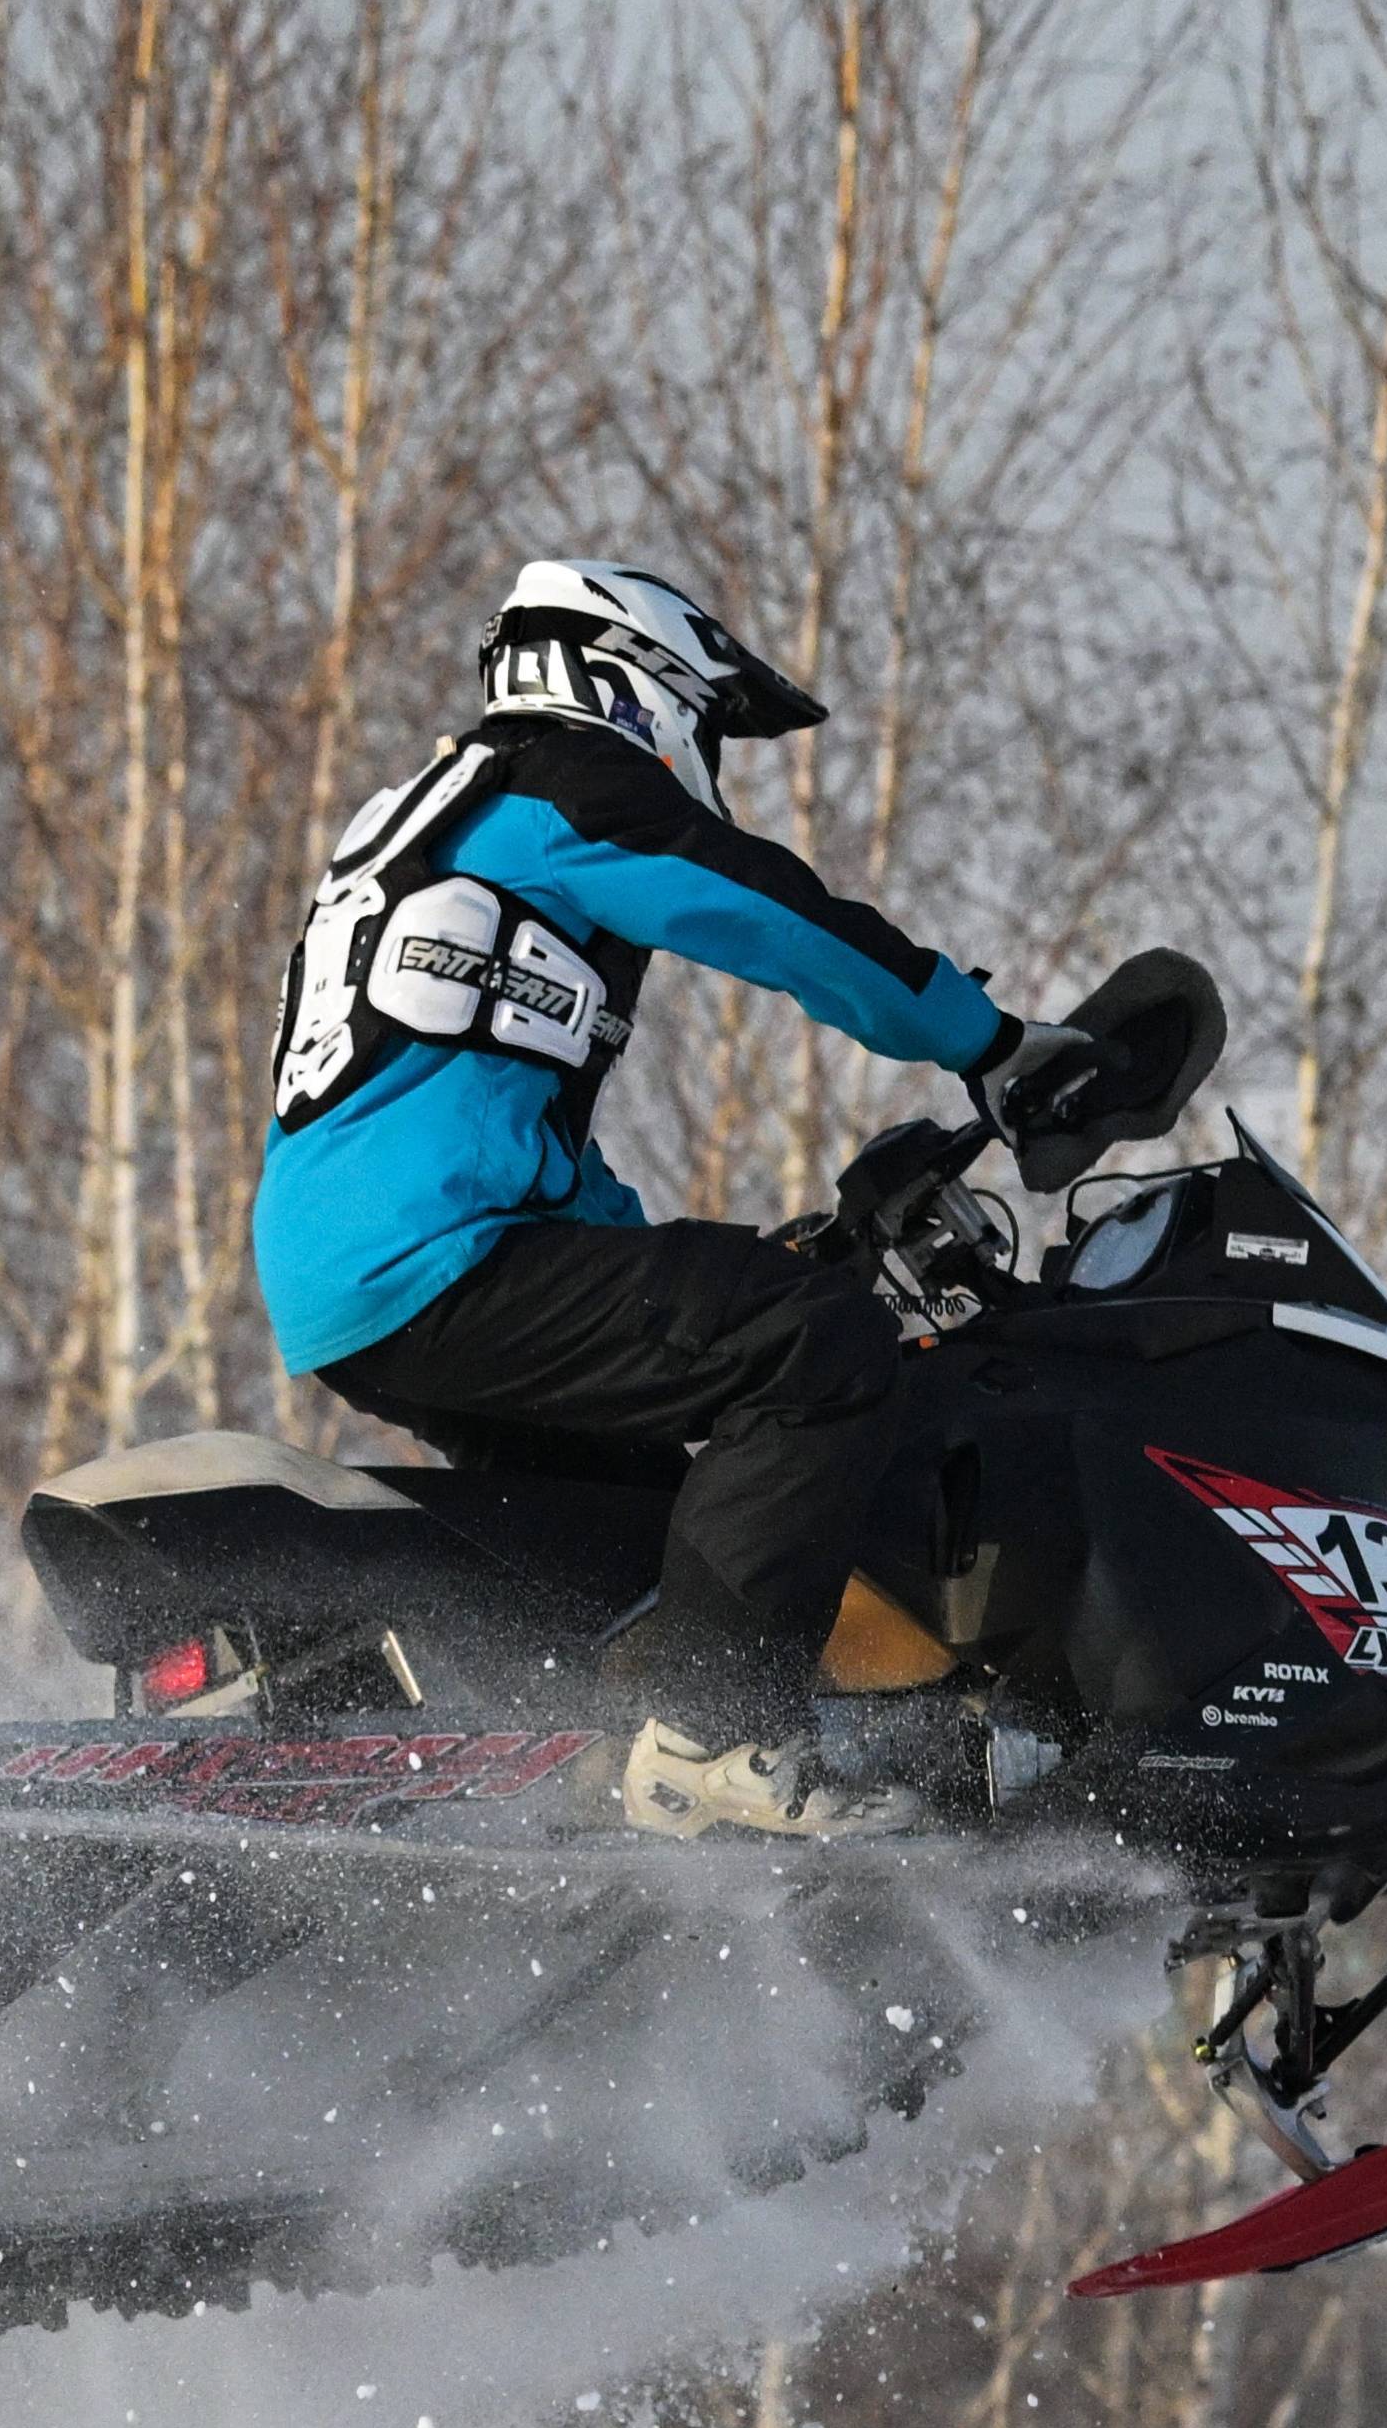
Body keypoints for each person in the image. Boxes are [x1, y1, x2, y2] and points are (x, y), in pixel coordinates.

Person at [256, 555, 1132, 1835]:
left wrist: (699, 1265)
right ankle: (713, 1733)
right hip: (435, 1255)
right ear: (634, 681)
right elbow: (768, 912)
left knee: (643, 1529)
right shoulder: (560, 778)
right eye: (710, 724)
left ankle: (578, 1786)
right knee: (818, 1346)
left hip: (365, 1268)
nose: (704, 759)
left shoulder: (441, 821)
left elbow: (500, 1124)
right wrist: (986, 1041)